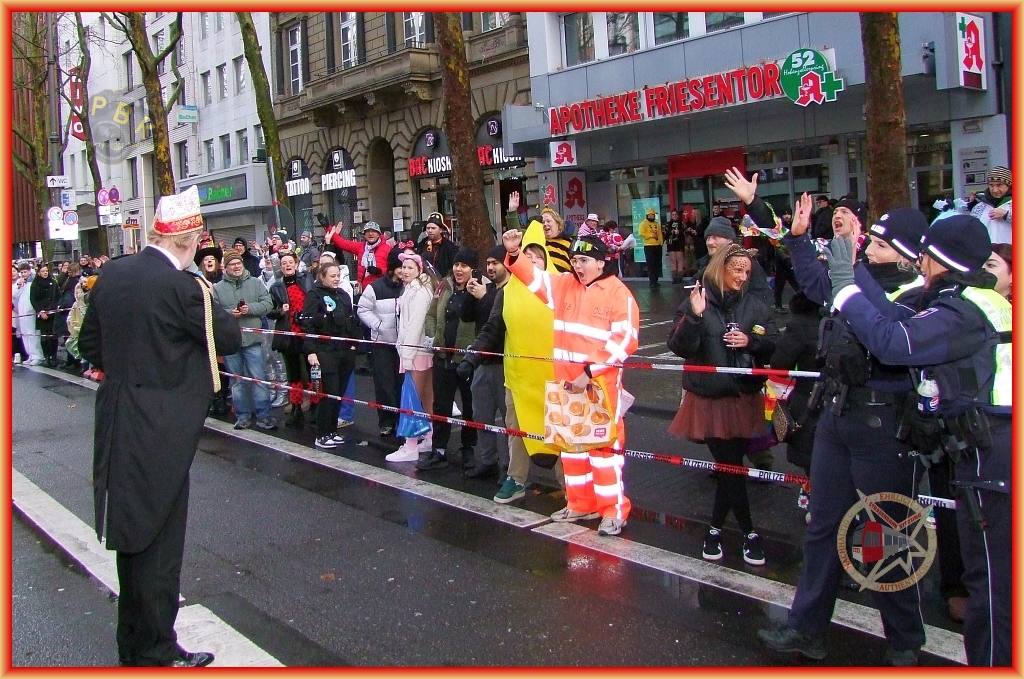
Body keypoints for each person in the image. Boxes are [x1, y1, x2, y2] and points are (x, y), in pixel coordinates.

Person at [819, 214, 1010, 666]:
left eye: (924, 255)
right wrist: (850, 270)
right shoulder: (973, 300)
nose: (919, 262)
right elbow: (896, 316)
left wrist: (845, 281)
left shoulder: (963, 310)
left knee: (991, 587)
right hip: (984, 452)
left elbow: (893, 340)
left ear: (940, 260)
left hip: (991, 456)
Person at [757, 195, 930, 666]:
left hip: (884, 424)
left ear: (908, 254)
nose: (868, 247)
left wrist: (849, 271)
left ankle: (904, 639)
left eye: (880, 244)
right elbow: (818, 285)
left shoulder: (920, 293)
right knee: (823, 525)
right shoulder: (862, 276)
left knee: (886, 532)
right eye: (870, 242)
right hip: (838, 412)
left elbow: (890, 330)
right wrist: (797, 240)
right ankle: (806, 627)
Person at [78, 186, 240, 667]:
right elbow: (228, 337)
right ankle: (157, 652)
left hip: (118, 417)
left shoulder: (113, 273)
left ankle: (134, 646)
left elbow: (89, 345)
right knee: (160, 543)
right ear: (189, 240)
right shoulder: (184, 287)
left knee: (131, 535)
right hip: (163, 428)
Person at [501, 230, 640, 536]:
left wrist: (589, 372)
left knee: (604, 454)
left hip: (599, 389)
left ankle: (613, 511)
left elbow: (626, 340)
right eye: (575, 260)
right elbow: (534, 279)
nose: (578, 265)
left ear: (601, 262)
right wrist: (514, 254)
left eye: (584, 260)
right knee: (571, 450)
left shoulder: (618, 294)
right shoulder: (565, 284)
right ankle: (579, 503)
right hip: (566, 387)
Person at [667, 243, 777, 565]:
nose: (742, 276)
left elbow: (774, 343)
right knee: (731, 467)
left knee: (731, 469)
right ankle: (748, 532)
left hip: (743, 397)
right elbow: (679, 347)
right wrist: (695, 316)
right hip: (709, 400)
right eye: (737, 270)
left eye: (747, 271)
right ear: (720, 269)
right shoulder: (697, 298)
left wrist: (751, 341)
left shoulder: (754, 304)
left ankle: (715, 529)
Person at [461, 223, 563, 502]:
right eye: (527, 257)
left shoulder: (559, 286)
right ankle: (516, 479)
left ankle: (569, 484)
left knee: (559, 430)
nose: (532, 262)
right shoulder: (508, 292)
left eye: (537, 257)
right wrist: (472, 357)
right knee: (516, 430)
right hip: (518, 377)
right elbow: (493, 328)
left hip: (554, 376)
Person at [418, 247, 480, 471]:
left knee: (470, 406)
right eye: (456, 265)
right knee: (441, 405)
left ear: (473, 269)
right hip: (443, 356)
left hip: (466, 360)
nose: (458, 269)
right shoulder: (444, 285)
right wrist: (431, 336)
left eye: (464, 266)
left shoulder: (480, 289)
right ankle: (439, 449)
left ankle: (468, 448)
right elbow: (431, 314)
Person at [455, 246, 508, 479]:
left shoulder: (510, 291)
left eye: (496, 262)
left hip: (503, 363)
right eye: (488, 263)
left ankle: (510, 468)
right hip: (481, 362)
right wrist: (470, 293)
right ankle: (488, 460)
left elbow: (498, 322)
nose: (491, 267)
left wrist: (485, 298)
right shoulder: (487, 289)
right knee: (481, 416)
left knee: (508, 420)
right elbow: (466, 316)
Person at [298, 259, 361, 451]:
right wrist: (311, 351)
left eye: (338, 276)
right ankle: (322, 433)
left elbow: (351, 322)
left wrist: (354, 345)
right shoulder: (314, 295)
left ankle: (332, 431)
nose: (336, 279)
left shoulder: (343, 295)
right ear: (322, 277)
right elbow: (307, 325)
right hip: (325, 351)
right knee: (329, 393)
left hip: (344, 351)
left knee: (339, 394)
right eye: (332, 276)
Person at [213, 251, 277, 430]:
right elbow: (213, 311)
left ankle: (264, 416)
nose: (236, 266)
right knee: (237, 381)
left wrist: (250, 309)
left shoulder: (256, 283)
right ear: (225, 268)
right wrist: (228, 314)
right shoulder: (217, 288)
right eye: (232, 264)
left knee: (259, 378)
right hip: (230, 341)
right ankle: (242, 417)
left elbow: (268, 304)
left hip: (252, 340)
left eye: (238, 263)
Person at [385, 251, 436, 462]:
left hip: (415, 351)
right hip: (418, 350)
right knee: (425, 397)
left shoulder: (420, 292)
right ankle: (429, 438)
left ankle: (411, 445)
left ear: (419, 269)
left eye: (409, 267)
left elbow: (415, 325)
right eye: (403, 267)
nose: (405, 271)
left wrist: (406, 354)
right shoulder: (412, 289)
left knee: (411, 398)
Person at [357, 248, 404, 438]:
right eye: (400, 267)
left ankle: (402, 420)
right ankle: (386, 421)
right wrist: (378, 325)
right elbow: (363, 309)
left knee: (402, 384)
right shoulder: (375, 287)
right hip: (382, 343)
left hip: (404, 344)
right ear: (392, 268)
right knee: (384, 384)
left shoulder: (409, 286)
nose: (404, 271)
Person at [268, 251, 315, 428]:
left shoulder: (306, 279)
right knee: (293, 373)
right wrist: (281, 311)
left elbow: (314, 300)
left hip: (307, 332)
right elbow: (269, 311)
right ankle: (296, 407)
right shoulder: (276, 287)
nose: (287, 265)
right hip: (289, 335)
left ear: (296, 264)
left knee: (313, 372)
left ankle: (315, 405)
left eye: (290, 262)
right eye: (284, 263)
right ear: (281, 267)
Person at [325, 220, 393, 292]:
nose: (370, 234)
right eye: (367, 231)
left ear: (378, 234)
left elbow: (394, 269)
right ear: (364, 235)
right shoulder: (361, 247)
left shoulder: (387, 248)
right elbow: (342, 243)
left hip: (382, 288)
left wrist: (380, 271)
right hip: (364, 289)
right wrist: (327, 226)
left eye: (373, 231)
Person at [965, 165, 1011, 244]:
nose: (995, 190)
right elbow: (971, 231)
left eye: (999, 185)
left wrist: (1007, 215)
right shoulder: (979, 206)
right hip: (986, 251)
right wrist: (971, 205)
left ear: (1009, 186)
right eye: (991, 185)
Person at [29, 262, 60, 366]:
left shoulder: (53, 282)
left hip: (52, 313)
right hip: (42, 314)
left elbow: (57, 296)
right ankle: (47, 356)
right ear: (38, 273)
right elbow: (33, 299)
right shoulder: (35, 284)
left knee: (53, 335)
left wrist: (53, 309)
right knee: (44, 336)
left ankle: (54, 357)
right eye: (43, 271)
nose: (45, 273)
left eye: (46, 271)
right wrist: (40, 311)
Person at [13, 264, 42, 365]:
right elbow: (13, 294)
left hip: (31, 312)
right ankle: (30, 355)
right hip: (22, 312)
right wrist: (18, 285)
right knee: (25, 334)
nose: (23, 274)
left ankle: (37, 355)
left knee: (32, 334)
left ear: (29, 271)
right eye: (21, 272)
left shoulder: (34, 281)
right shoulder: (21, 282)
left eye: (25, 272)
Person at [416, 212, 458, 279]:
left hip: (442, 281)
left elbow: (453, 267)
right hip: (424, 280)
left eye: (433, 228)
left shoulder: (450, 247)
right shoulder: (422, 244)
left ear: (440, 230)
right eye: (428, 228)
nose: (430, 230)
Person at [639, 207, 665, 287]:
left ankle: (656, 281)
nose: (652, 216)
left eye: (653, 215)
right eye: (650, 215)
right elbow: (641, 233)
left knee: (657, 264)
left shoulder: (657, 224)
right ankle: (652, 282)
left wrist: (661, 243)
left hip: (657, 246)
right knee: (650, 264)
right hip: (648, 246)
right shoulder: (643, 223)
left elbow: (660, 234)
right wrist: (650, 235)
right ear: (647, 215)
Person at [664, 209, 687, 284]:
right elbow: (665, 233)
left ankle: (680, 277)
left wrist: (679, 231)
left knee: (680, 259)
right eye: (673, 214)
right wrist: (672, 231)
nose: (674, 216)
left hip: (679, 243)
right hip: (671, 243)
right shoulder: (668, 223)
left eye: (675, 214)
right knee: (673, 260)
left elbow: (685, 231)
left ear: (678, 215)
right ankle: (674, 278)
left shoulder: (681, 223)